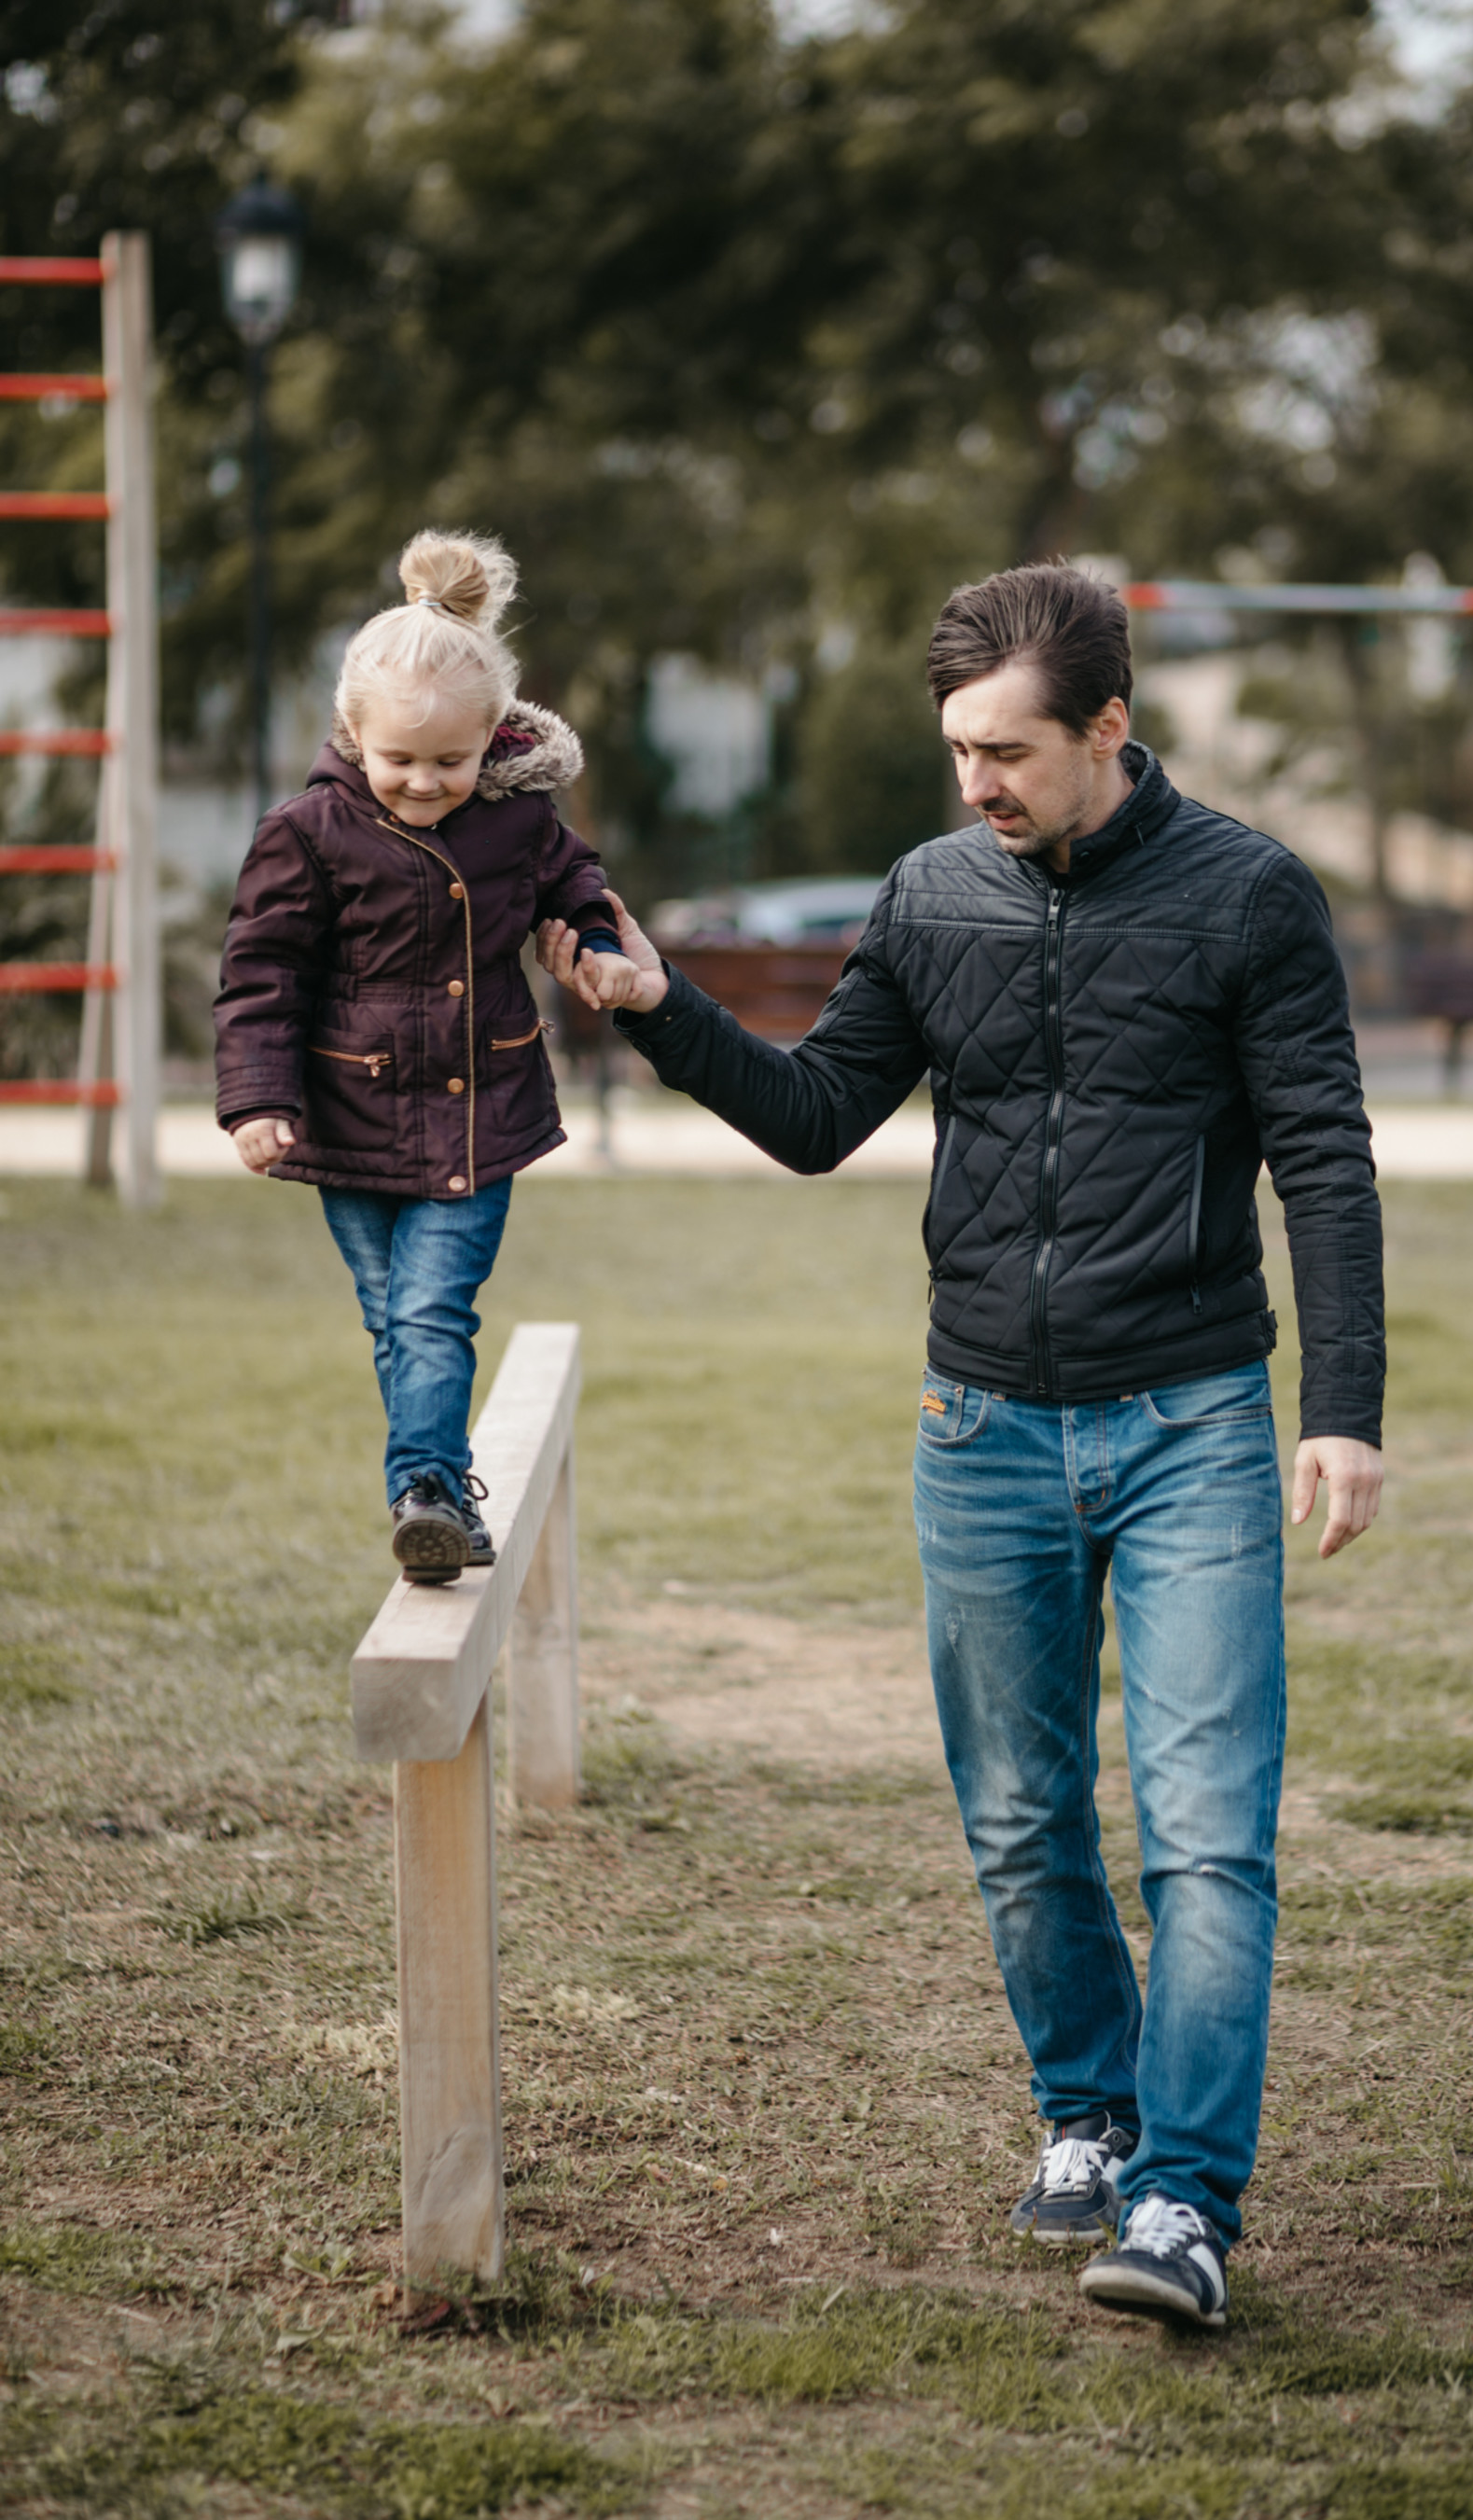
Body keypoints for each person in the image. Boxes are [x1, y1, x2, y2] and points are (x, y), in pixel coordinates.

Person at [545, 562, 1383, 2330]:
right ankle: (1087, 2112)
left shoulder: (1250, 898)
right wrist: (657, 1007)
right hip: (980, 1420)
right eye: (957, 752)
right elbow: (821, 1114)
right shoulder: (931, 895)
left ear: (1108, 728)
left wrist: (1345, 1413)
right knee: (1017, 1816)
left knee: (1209, 1833)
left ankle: (1184, 2205)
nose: (977, 784)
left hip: (1192, 1423)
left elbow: (1324, 1157)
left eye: (1009, 750)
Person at [214, 529, 636, 1584]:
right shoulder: (308, 831)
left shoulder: (520, 819)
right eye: (399, 760)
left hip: (475, 1109)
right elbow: (262, 970)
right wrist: (256, 1100)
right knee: (393, 1320)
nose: (422, 782)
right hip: (346, 1115)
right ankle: (440, 1488)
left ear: (492, 737)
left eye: (449, 762)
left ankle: (426, 1493)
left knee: (429, 1311)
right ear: (352, 733)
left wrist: (596, 951)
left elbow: (578, 891)